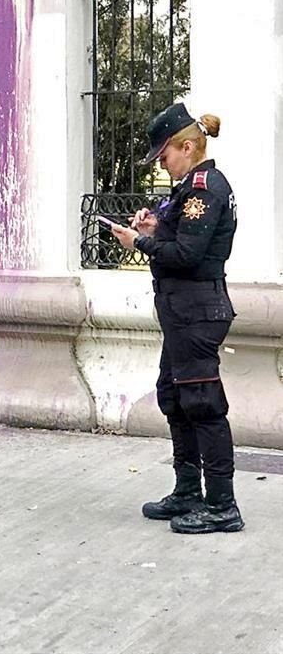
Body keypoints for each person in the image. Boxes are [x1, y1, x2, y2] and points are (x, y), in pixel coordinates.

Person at [109, 102, 243, 534]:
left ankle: (222, 505)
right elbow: (180, 238)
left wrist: (139, 244)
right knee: (175, 396)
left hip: (197, 312)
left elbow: (188, 255)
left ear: (188, 146)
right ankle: (188, 491)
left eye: (165, 156)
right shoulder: (190, 189)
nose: (163, 165)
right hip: (183, 312)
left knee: (202, 404)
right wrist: (152, 231)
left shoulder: (206, 189)